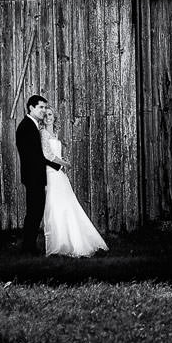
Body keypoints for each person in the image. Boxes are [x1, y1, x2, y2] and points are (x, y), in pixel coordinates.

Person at [38, 103, 108, 257]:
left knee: (68, 205)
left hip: (59, 174)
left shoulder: (55, 134)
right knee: (54, 206)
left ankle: (73, 241)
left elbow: (55, 154)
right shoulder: (43, 133)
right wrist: (65, 164)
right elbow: (47, 155)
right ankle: (58, 243)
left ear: (54, 117)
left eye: (50, 115)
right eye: (45, 115)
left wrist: (62, 165)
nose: (48, 117)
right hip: (50, 173)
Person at [16, 95, 60, 254]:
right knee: (34, 213)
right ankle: (28, 247)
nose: (43, 110)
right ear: (31, 108)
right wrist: (58, 166)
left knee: (35, 212)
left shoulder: (32, 125)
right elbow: (35, 155)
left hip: (35, 176)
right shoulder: (26, 127)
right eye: (41, 107)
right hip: (33, 177)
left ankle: (29, 246)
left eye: (44, 107)